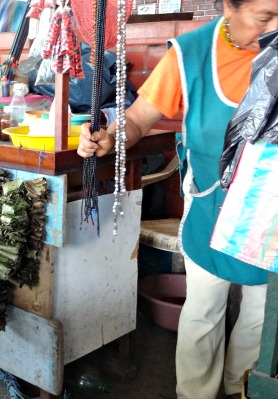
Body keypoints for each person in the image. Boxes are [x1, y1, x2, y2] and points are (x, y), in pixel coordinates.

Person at [77, 1, 278, 398]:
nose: (276, 27)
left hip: (269, 214)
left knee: (262, 315)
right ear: (228, 8)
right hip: (212, 207)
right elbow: (136, 120)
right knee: (204, 309)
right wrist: (110, 137)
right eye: (264, 17)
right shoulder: (191, 56)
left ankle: (243, 390)